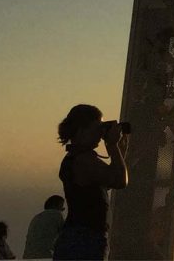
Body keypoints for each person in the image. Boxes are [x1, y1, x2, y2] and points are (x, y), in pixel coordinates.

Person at [52, 105, 127, 261]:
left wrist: (119, 150)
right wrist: (113, 146)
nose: (101, 134)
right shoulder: (84, 160)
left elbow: (107, 183)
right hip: (85, 241)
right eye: (97, 128)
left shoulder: (74, 158)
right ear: (81, 131)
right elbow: (120, 181)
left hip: (77, 238)